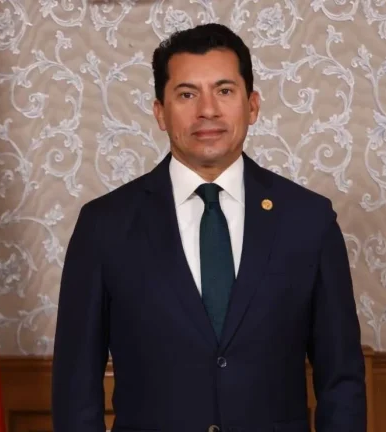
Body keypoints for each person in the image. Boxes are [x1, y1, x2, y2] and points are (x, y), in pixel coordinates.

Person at [51, 23, 366, 432]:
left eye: (224, 91)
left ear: (252, 105)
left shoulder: (308, 220)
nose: (208, 110)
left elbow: (341, 379)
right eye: (187, 94)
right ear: (160, 112)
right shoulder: (104, 226)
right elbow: (75, 388)